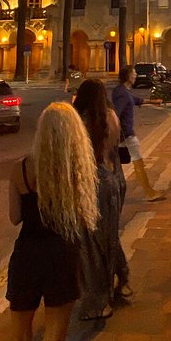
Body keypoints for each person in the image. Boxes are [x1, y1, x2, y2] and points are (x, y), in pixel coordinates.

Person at [3, 102, 98, 341]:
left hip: (27, 255)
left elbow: (14, 218)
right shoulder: (75, 171)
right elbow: (83, 217)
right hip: (61, 256)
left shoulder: (20, 169)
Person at [73, 79, 130, 318]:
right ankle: (123, 279)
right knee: (110, 235)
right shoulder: (112, 117)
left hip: (95, 184)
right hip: (116, 180)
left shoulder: (83, 122)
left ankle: (100, 298)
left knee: (94, 243)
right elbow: (119, 147)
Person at [111, 66, 166, 202]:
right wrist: (117, 132)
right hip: (126, 134)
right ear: (128, 76)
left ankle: (117, 190)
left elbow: (136, 100)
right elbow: (116, 113)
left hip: (124, 134)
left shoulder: (124, 91)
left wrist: (153, 101)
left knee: (116, 163)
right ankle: (149, 192)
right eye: (134, 73)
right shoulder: (122, 93)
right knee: (137, 161)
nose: (135, 76)